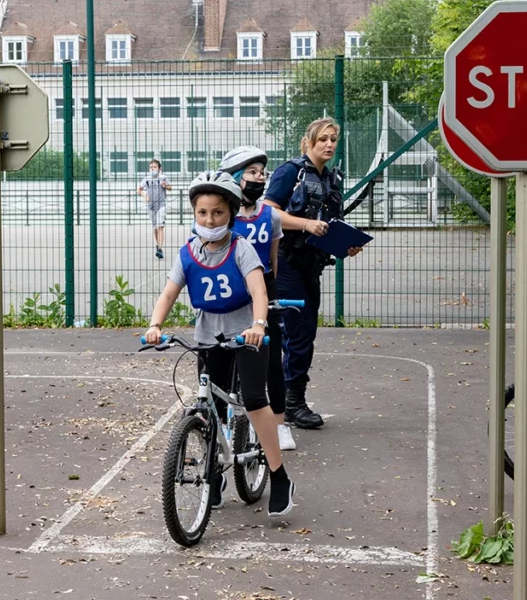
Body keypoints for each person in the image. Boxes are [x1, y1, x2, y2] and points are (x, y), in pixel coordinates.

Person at [144, 170, 296, 517]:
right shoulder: (188, 252)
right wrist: (155, 325)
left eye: (217, 212)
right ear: (194, 214)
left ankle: (279, 475)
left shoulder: (241, 248)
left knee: (256, 399)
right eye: (202, 213)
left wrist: (259, 324)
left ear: (230, 213)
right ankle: (212, 471)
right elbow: (169, 293)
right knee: (211, 404)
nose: (209, 219)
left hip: (245, 333)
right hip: (208, 336)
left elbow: (259, 290)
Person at [264, 118, 363, 430]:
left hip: (311, 265)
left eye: (333, 139)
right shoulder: (290, 172)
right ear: (308, 142)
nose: (329, 145)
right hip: (286, 262)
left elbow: (327, 223)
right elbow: (268, 211)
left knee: (305, 334)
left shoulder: (331, 179)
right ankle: (286, 403)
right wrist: (305, 224)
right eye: (322, 139)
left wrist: (344, 244)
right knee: (293, 331)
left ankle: (292, 400)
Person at [219, 145, 295, 452]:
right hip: (232, 295)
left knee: (271, 362)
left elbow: (273, 260)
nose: (258, 178)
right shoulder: (223, 217)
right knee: (223, 361)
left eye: (261, 173)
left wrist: (269, 293)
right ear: (235, 178)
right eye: (251, 172)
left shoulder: (270, 217)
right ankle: (223, 424)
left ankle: (279, 423)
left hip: (263, 291)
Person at [138, 159, 172, 259]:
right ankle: (158, 245)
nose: (153, 169)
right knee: (155, 228)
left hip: (161, 204)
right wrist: (145, 195)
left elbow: (170, 187)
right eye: (151, 167)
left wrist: (165, 186)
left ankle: (160, 249)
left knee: (160, 226)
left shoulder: (163, 178)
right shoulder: (146, 179)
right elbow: (139, 189)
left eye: (155, 167)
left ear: (159, 168)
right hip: (150, 206)